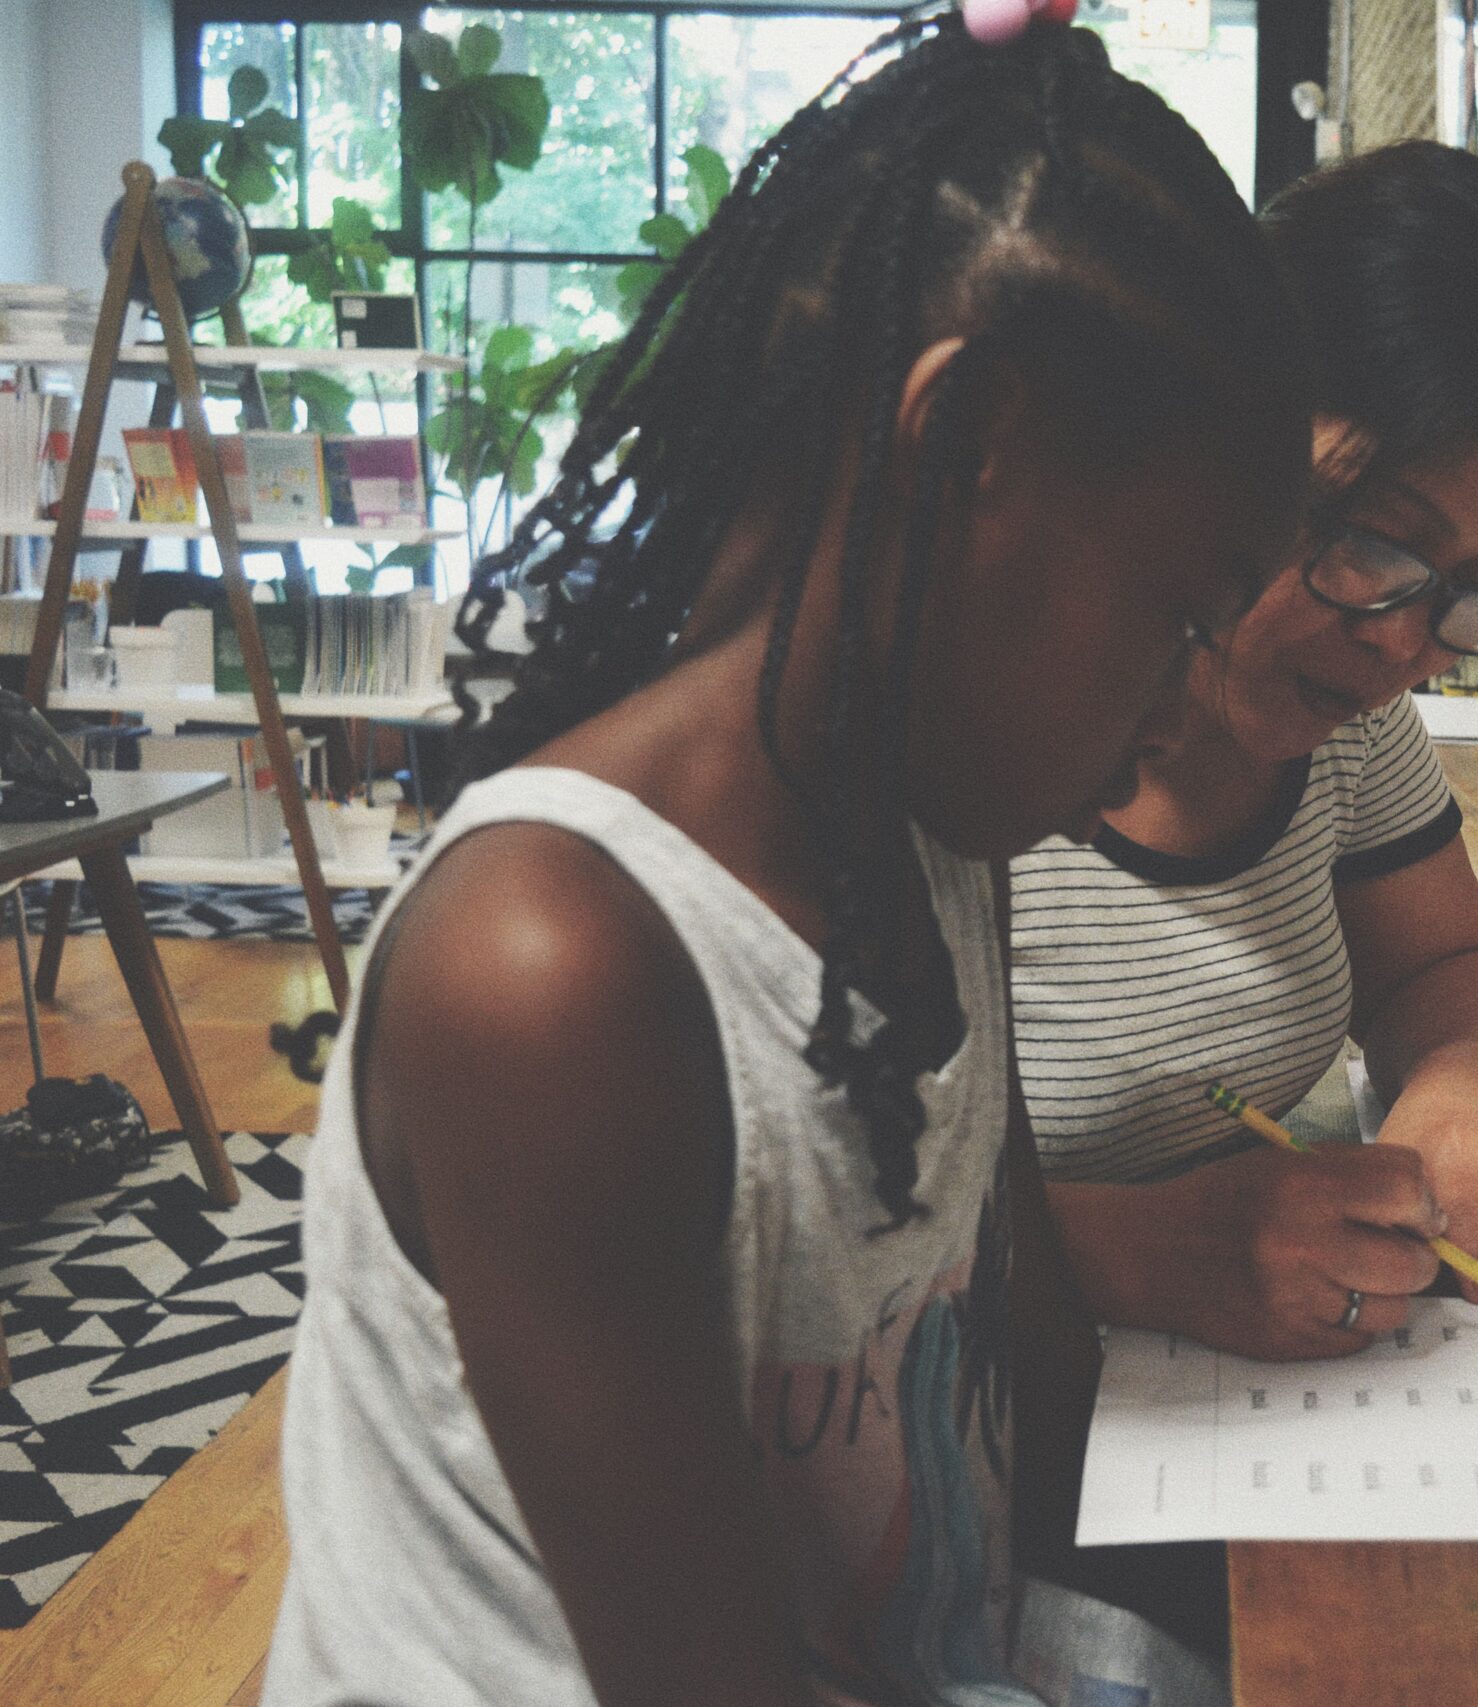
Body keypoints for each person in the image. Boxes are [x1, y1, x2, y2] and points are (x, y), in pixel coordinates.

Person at [261, 19, 1330, 1707]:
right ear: (960, 438)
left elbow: (1031, 1354)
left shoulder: (928, 825)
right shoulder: (552, 975)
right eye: (1182, 619)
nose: (1189, 710)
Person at [1009, 141, 1478, 1361]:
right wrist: (1136, 1251)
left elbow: (1445, 960)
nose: (1403, 647)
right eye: (1369, 542)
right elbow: (750, 1219)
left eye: (1477, 588)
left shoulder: (1346, 724)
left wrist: (1457, 1091)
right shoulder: (967, 733)